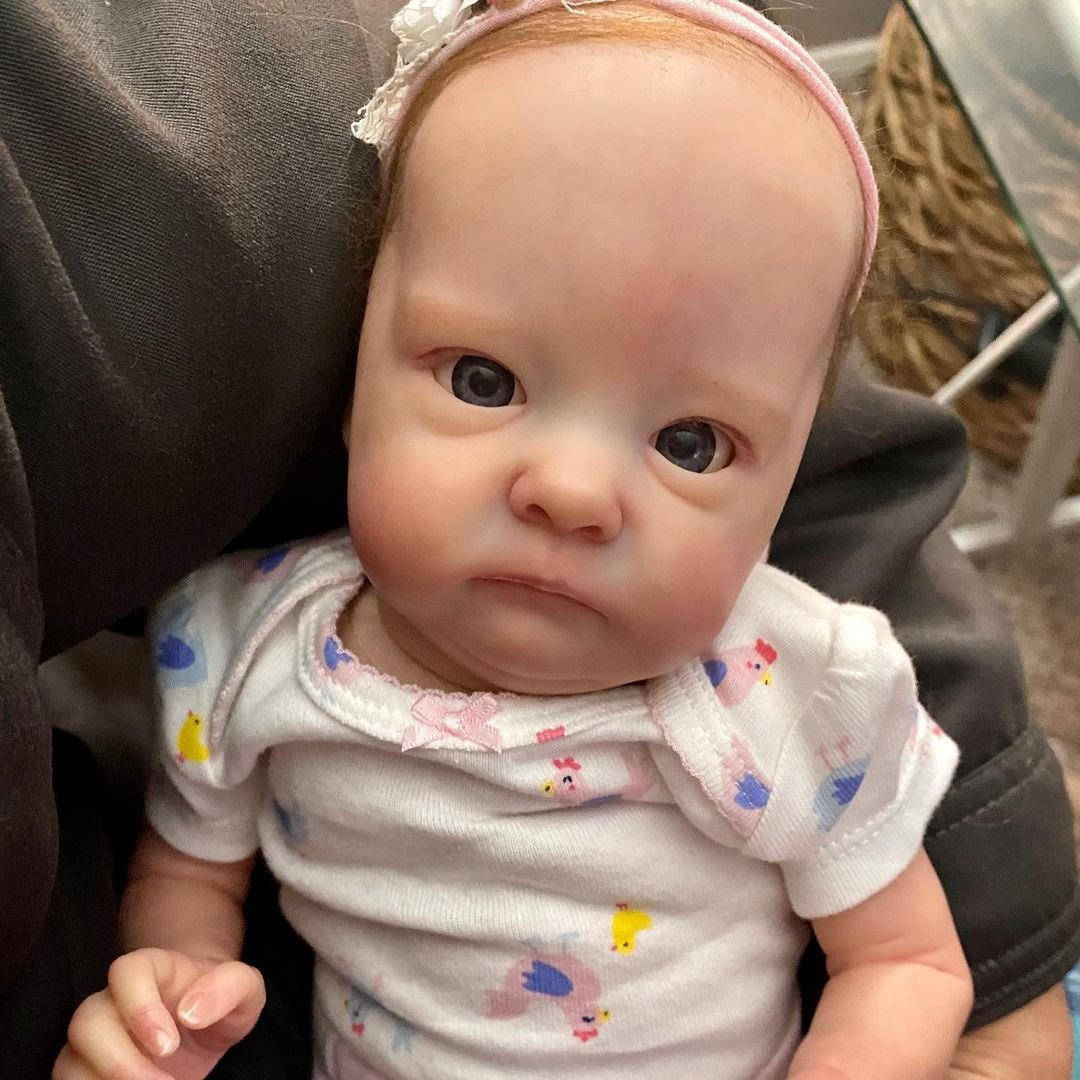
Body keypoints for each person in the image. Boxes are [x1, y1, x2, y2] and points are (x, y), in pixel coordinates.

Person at [0, 0, 1074, 1078]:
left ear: (789, 481)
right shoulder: (240, 649)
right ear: (350, 383)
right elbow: (191, 877)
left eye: (691, 444)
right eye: (484, 380)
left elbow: (907, 965)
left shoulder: (787, 691)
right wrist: (173, 994)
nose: (571, 491)